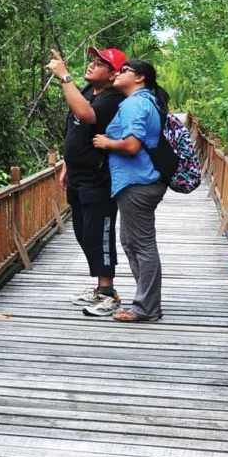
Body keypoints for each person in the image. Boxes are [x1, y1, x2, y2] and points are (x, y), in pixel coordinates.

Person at [45, 47, 126, 316]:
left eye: (100, 63)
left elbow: (86, 116)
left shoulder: (114, 98)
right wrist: (66, 164)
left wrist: (65, 77)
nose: (92, 65)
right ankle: (99, 289)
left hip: (98, 178)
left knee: (100, 233)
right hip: (78, 177)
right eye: (93, 60)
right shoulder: (89, 92)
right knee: (83, 233)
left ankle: (109, 292)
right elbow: (74, 128)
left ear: (114, 74)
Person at [92, 58, 168, 322]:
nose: (118, 73)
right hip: (139, 182)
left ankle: (147, 307)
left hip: (139, 182)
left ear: (139, 78)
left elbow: (132, 145)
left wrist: (105, 143)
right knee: (131, 242)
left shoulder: (135, 103)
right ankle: (145, 302)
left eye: (125, 70)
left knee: (142, 245)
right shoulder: (146, 101)